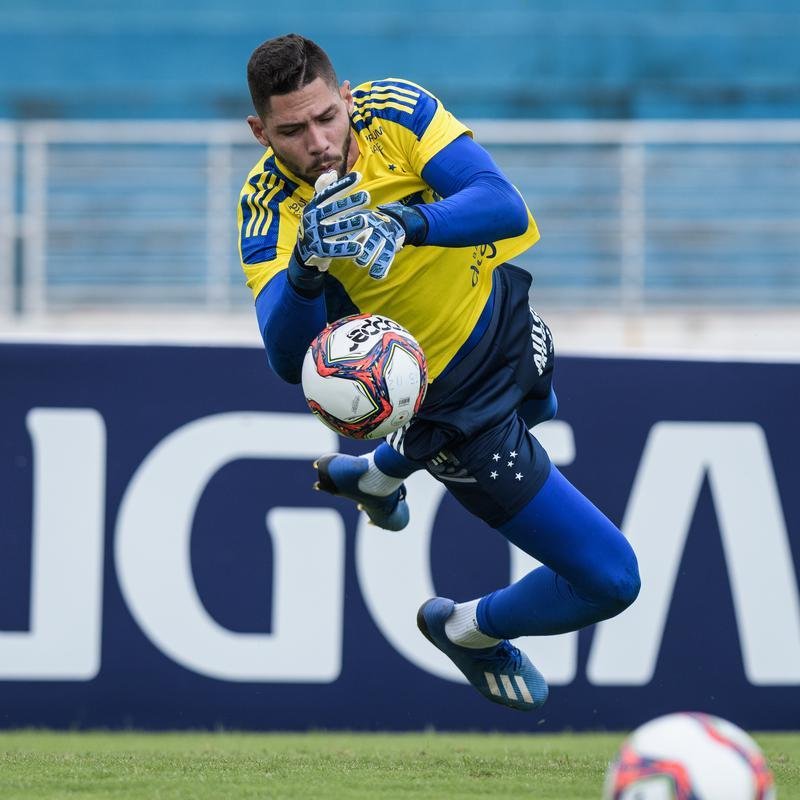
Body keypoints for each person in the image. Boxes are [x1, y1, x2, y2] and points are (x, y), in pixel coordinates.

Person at [239, 33, 640, 711]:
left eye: (326, 117)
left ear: (346, 95)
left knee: (543, 408)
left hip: (504, 318)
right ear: (260, 132)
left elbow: (502, 202)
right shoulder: (268, 205)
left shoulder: (395, 110)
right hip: (454, 411)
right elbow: (287, 360)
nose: (319, 143)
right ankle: (466, 629)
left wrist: (404, 223)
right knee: (611, 579)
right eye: (292, 131)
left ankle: (376, 475)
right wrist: (306, 273)